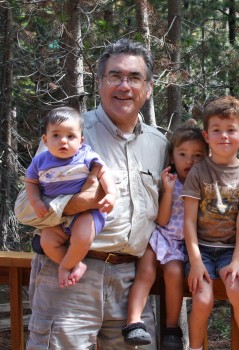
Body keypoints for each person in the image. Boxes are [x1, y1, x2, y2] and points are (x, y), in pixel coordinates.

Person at [15, 38, 169, 349]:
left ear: (148, 88)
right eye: (115, 76)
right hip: (69, 274)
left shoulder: (159, 144)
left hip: (131, 285)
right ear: (99, 83)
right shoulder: (70, 133)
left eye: (134, 77)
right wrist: (74, 205)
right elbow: (24, 210)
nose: (124, 85)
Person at [182, 96, 239, 350]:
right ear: (206, 135)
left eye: (231, 130)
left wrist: (238, 260)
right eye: (216, 130)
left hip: (231, 249)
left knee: (237, 288)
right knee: (203, 299)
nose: (223, 136)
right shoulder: (198, 171)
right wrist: (194, 262)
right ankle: (194, 348)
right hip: (201, 249)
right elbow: (189, 220)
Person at [123, 119, 208, 348]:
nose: (189, 160)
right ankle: (134, 322)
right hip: (160, 235)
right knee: (147, 272)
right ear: (172, 156)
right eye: (183, 154)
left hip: (181, 245)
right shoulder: (169, 181)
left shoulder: (204, 185)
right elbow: (162, 219)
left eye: (197, 155)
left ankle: (172, 329)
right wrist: (168, 192)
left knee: (174, 273)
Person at [25, 106, 117, 288]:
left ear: (81, 140)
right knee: (47, 242)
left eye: (70, 136)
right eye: (56, 135)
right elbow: (31, 182)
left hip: (87, 213)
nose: (63, 141)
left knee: (82, 237)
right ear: (45, 139)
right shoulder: (39, 162)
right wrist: (35, 201)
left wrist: (111, 194)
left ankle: (64, 267)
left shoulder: (85, 155)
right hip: (58, 218)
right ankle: (75, 264)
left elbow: (103, 172)